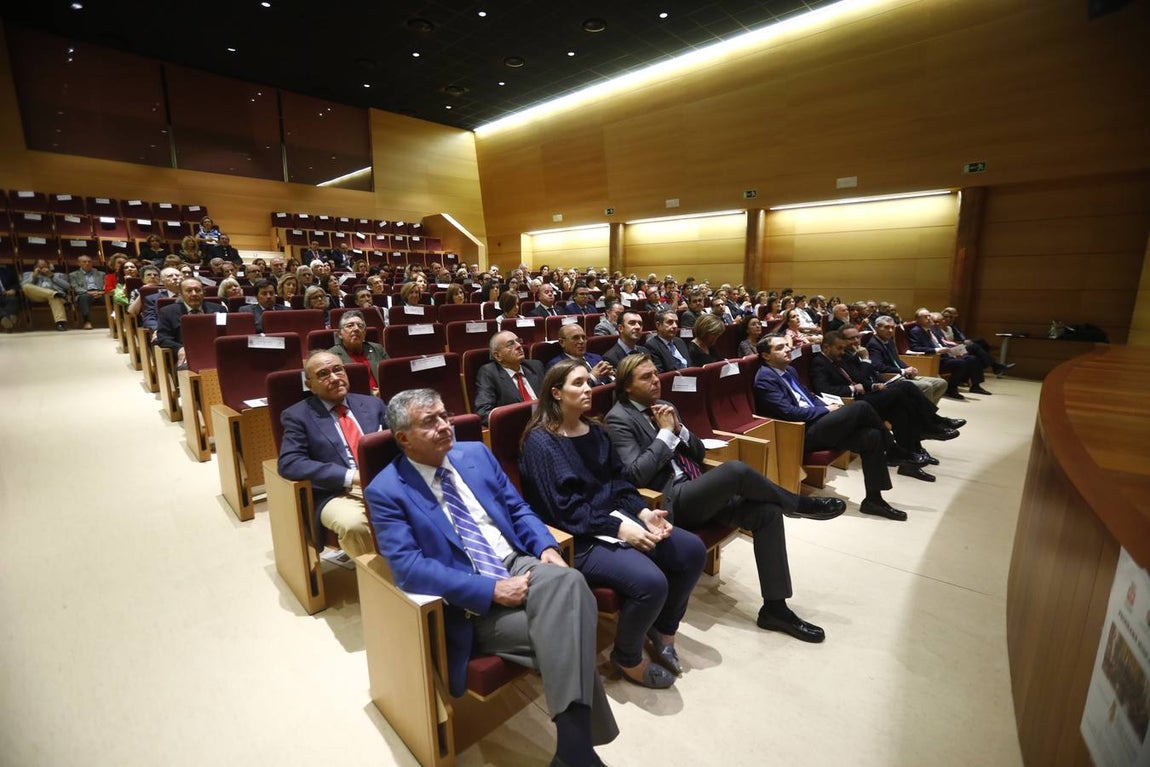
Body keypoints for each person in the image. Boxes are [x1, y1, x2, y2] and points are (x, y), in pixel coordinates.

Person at [365, 389, 619, 767]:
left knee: (568, 582)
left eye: (444, 415)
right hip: (471, 603)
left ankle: (572, 750)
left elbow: (518, 509)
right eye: (429, 422)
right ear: (403, 438)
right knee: (572, 619)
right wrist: (492, 590)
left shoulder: (476, 455)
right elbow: (408, 568)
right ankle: (575, 749)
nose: (444, 426)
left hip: (516, 561)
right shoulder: (386, 490)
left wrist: (546, 547)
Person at [606, 354, 844, 639]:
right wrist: (666, 435)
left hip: (698, 487)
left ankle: (775, 609)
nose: (656, 380)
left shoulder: (666, 406)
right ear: (627, 387)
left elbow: (699, 453)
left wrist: (679, 429)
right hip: (669, 502)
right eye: (646, 377)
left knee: (766, 513)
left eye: (655, 374)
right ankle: (797, 503)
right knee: (735, 471)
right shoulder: (618, 418)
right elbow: (635, 475)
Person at [520, 361, 705, 687]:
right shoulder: (541, 442)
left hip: (614, 521)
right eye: (577, 383)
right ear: (556, 392)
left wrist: (645, 514)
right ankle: (627, 656)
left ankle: (664, 627)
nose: (588, 389)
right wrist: (623, 529)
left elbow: (619, 485)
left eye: (588, 382)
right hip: (575, 539)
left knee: (691, 551)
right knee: (652, 583)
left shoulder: (597, 430)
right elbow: (565, 511)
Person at [753, 335, 910, 521]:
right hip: (800, 434)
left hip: (819, 424)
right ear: (766, 355)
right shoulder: (764, 378)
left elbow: (809, 397)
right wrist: (826, 410)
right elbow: (789, 413)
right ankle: (892, 449)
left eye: (787, 345)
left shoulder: (790, 371)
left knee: (872, 436)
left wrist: (826, 408)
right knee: (861, 407)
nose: (787, 349)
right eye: (779, 347)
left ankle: (874, 500)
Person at [278, 351, 388, 569]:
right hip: (336, 491)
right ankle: (382, 584)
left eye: (338, 369)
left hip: (380, 481)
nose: (335, 377)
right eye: (323, 374)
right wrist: (351, 476)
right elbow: (289, 463)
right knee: (355, 524)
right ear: (310, 385)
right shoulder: (297, 416)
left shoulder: (372, 404)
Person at [810, 331, 960, 472]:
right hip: (852, 403)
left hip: (864, 395)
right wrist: (852, 389)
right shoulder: (820, 362)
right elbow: (823, 389)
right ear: (826, 347)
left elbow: (859, 377)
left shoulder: (839, 359)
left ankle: (910, 456)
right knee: (900, 391)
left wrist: (871, 385)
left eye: (843, 348)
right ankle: (931, 425)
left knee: (901, 409)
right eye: (839, 348)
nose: (842, 351)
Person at [866, 315, 949, 404]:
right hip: (890, 378)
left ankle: (927, 413)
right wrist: (903, 371)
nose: (890, 330)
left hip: (902, 375)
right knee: (926, 386)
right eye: (886, 327)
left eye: (892, 327)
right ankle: (926, 415)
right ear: (876, 328)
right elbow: (878, 366)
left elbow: (896, 360)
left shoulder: (889, 341)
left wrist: (909, 368)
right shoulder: (873, 344)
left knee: (941, 383)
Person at [907, 308, 988, 399]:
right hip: (935, 359)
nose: (929, 318)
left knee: (972, 359)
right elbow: (915, 348)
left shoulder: (932, 330)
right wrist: (937, 350)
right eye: (925, 317)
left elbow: (942, 343)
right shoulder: (916, 331)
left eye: (929, 316)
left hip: (946, 355)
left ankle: (975, 386)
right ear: (918, 320)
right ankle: (951, 389)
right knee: (960, 363)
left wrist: (955, 351)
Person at [473, 331, 545, 425]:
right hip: (519, 428)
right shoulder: (489, 373)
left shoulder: (535, 366)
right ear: (498, 356)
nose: (519, 346)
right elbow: (483, 412)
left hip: (548, 421)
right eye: (510, 344)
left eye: (518, 341)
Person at [155, 277, 225, 368]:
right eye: (189, 291)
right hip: (187, 354)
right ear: (181, 294)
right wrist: (179, 348)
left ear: (203, 292)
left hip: (215, 352)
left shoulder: (219, 309)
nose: (194, 294)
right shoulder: (167, 312)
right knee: (185, 368)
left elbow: (225, 332)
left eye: (197, 290)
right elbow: (163, 338)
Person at [329, 309, 389, 393]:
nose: (356, 329)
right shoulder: (331, 356)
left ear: (364, 332)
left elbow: (391, 376)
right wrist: (372, 394)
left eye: (360, 326)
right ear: (339, 334)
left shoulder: (377, 349)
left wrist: (384, 391)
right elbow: (337, 386)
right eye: (350, 325)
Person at [547, 323, 614, 384]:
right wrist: (592, 377)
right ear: (562, 342)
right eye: (575, 338)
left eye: (584, 337)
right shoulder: (557, 366)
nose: (581, 341)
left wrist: (612, 377)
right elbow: (571, 392)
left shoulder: (597, 358)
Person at [21, 258, 71, 331]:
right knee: (26, 286)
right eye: (40, 267)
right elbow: (23, 286)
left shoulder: (58, 274)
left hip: (52, 296)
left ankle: (60, 323)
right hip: (37, 296)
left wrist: (51, 275)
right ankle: (56, 294)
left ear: (49, 267)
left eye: (45, 267)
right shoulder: (28, 274)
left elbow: (67, 286)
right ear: (35, 267)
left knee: (54, 297)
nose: (43, 269)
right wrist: (34, 276)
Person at [67, 255, 107, 329]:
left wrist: (101, 292)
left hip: (100, 293)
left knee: (111, 298)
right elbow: (75, 287)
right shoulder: (73, 275)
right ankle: (87, 322)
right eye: (84, 262)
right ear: (79, 263)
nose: (87, 263)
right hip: (84, 293)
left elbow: (106, 285)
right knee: (84, 298)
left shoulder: (101, 273)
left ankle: (116, 319)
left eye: (89, 262)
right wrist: (88, 292)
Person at [0, 265, 22, 331]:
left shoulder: (6, 271)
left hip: (5, 294)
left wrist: (13, 289)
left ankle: (7, 321)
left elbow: (16, 283)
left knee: (13, 300)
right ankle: (7, 318)